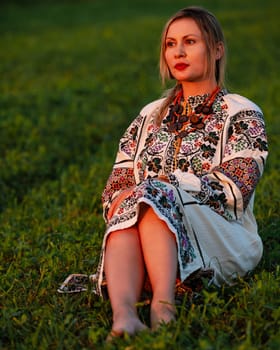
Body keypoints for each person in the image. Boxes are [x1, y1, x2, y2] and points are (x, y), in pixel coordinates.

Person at [96, 6, 268, 339]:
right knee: (131, 205)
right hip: (148, 235)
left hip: (224, 235)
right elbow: (116, 187)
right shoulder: (148, 115)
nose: (178, 51)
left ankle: (163, 306)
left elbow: (234, 188)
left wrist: (165, 185)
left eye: (190, 41)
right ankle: (125, 316)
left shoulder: (242, 112)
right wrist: (124, 199)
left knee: (151, 194)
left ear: (216, 49)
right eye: (170, 44)